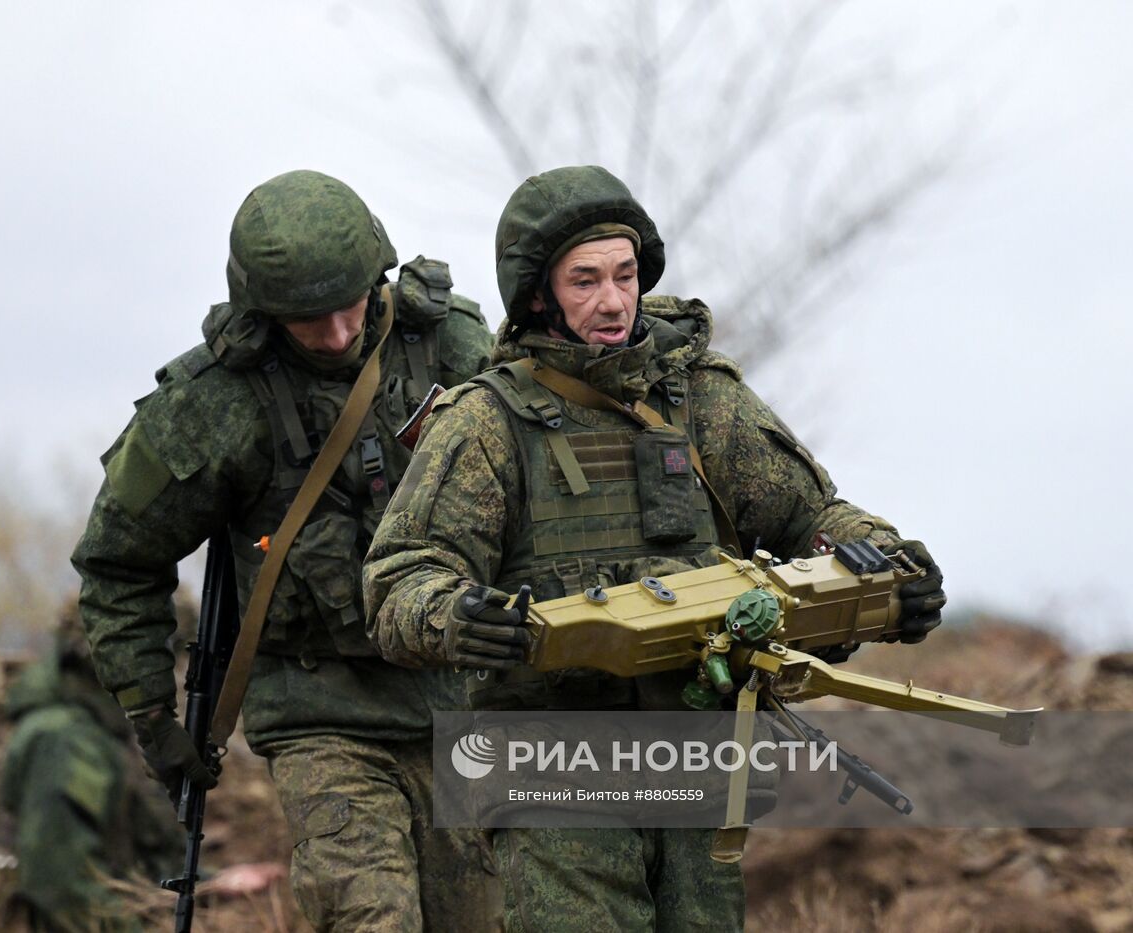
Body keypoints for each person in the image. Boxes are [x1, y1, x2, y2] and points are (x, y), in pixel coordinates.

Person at [362, 164, 947, 932]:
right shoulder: (487, 421)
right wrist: (460, 614)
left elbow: (814, 516)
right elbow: (401, 577)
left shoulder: (696, 395)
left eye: (625, 274)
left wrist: (883, 566)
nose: (612, 300)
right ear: (539, 293)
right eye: (584, 281)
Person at [71, 170, 501, 931]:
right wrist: (151, 713)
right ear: (263, 312)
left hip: (461, 704)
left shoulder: (452, 347)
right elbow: (118, 561)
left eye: (350, 307)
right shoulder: (212, 406)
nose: (337, 336)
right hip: (321, 713)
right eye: (309, 320)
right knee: (376, 917)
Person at [0, 609, 183, 933]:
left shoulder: (102, 731)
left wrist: (214, 886)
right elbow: (61, 884)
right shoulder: (64, 739)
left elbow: (140, 866)